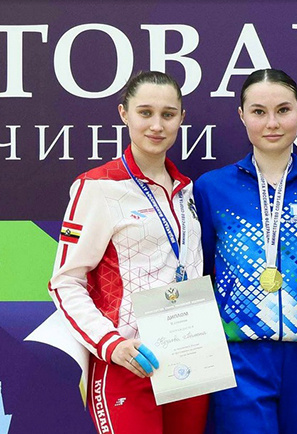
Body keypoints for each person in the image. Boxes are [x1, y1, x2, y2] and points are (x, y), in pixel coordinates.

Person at [48, 71, 208, 434]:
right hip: (128, 362)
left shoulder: (186, 190)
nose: (157, 125)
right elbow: (65, 282)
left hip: (189, 359)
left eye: (168, 114)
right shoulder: (98, 187)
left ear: (181, 118)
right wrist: (112, 345)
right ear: (124, 113)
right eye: (145, 112)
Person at [194, 68, 297, 434]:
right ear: (241, 115)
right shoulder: (212, 188)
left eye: (283, 110)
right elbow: (200, 272)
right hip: (239, 353)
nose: (272, 123)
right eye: (259, 112)